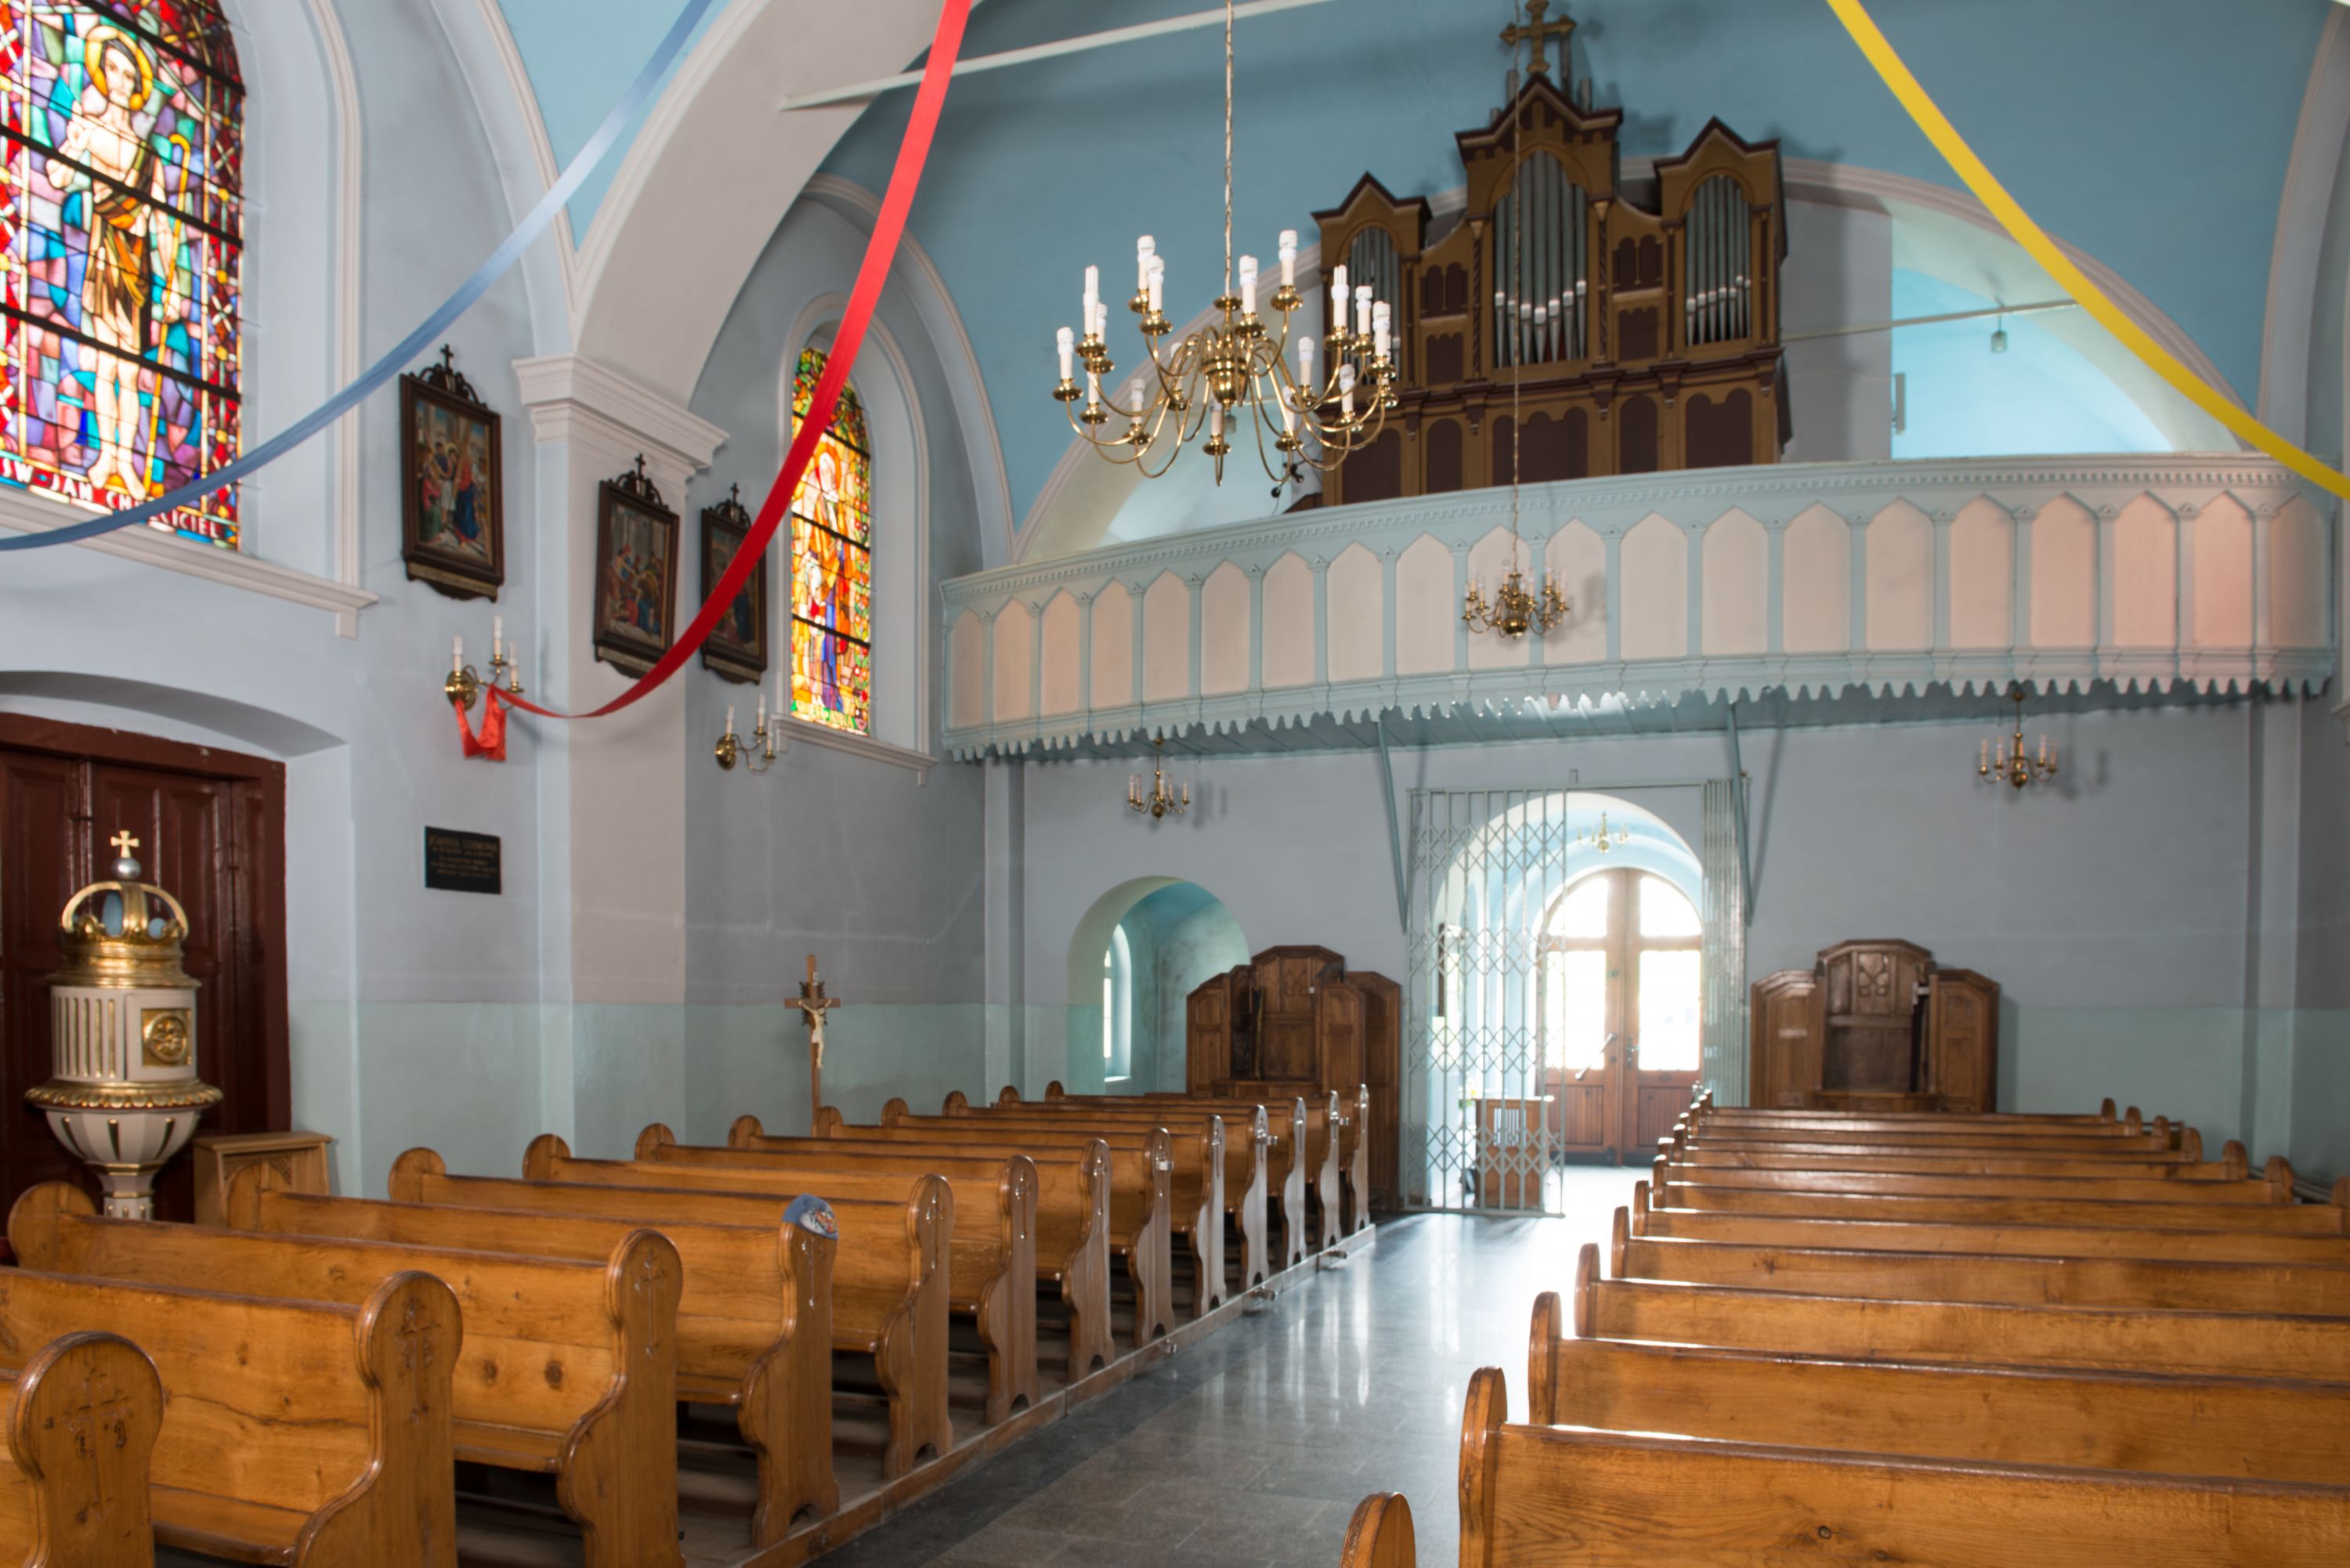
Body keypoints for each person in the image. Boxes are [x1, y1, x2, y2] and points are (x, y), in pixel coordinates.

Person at [44, 26, 177, 498]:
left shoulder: (148, 154)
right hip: (105, 255)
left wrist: (175, 284)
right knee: (105, 365)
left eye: (127, 75)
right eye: (112, 70)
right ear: (101, 73)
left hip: (138, 265)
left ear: (137, 85)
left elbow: (163, 222)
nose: (119, 81)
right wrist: (74, 143)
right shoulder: (92, 129)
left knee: (130, 372)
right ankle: (106, 458)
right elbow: (58, 177)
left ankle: (127, 462)